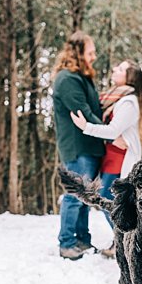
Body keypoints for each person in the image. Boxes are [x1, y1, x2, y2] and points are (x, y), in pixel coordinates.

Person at [71, 60, 142, 257]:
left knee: (110, 200)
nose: (115, 69)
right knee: (113, 201)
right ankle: (122, 242)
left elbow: (113, 130)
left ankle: (128, 242)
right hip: (111, 157)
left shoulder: (128, 102)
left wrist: (86, 127)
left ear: (129, 78)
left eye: (121, 69)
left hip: (120, 159)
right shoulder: (117, 98)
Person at [52, 31, 106, 260]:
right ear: (78, 52)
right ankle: (67, 243)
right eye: (90, 52)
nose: (94, 56)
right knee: (75, 195)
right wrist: (110, 134)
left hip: (90, 145)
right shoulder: (67, 79)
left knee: (86, 196)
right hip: (77, 147)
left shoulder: (82, 77)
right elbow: (82, 113)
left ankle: (83, 239)